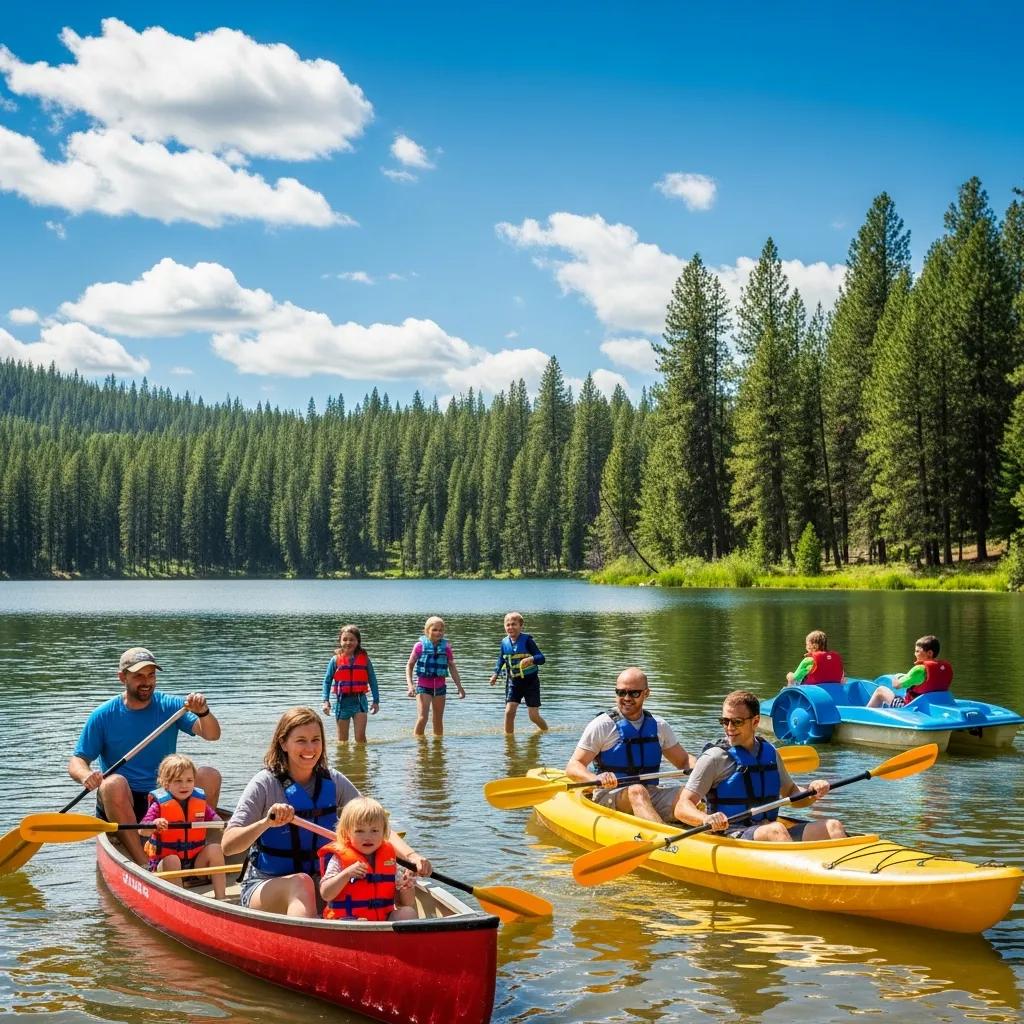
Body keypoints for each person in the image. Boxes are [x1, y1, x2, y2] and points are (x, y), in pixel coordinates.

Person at [222, 707, 431, 918]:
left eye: (316, 740)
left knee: (380, 876)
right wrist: (266, 822)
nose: (310, 748)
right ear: (283, 743)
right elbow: (228, 846)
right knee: (301, 883)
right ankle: (309, 943)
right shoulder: (265, 784)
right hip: (266, 884)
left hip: (324, 881)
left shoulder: (333, 781)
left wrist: (411, 856)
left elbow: (376, 824)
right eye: (301, 740)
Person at [68, 646, 222, 867]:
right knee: (112, 784)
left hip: (166, 796)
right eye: (138, 676)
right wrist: (85, 776)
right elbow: (77, 761)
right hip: (124, 800)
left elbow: (212, 734)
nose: (147, 682)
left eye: (151, 675)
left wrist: (203, 712)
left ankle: (199, 852)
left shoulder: (171, 706)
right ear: (122, 678)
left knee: (209, 776)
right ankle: (144, 866)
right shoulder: (103, 715)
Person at [675, 689, 847, 841]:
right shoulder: (713, 758)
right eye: (724, 721)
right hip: (733, 834)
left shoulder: (770, 752)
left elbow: (792, 794)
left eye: (737, 722)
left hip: (771, 832)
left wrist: (812, 792)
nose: (729, 728)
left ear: (755, 721)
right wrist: (705, 819)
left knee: (833, 826)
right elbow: (682, 806)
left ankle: (847, 875)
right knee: (776, 830)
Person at [565, 667, 696, 823]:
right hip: (610, 794)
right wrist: (596, 778)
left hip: (650, 793)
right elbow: (573, 766)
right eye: (621, 692)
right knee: (637, 791)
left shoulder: (659, 726)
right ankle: (664, 841)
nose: (626, 698)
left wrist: (702, 771)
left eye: (634, 693)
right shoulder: (602, 725)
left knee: (691, 795)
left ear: (646, 693)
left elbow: (683, 760)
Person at [140, 753, 227, 899]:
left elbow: (216, 820)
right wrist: (154, 824)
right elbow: (142, 831)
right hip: (167, 866)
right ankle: (183, 901)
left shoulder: (200, 803)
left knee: (215, 849)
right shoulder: (158, 806)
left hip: (194, 863)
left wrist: (225, 826)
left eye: (189, 780)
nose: (185, 785)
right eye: (178, 781)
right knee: (172, 860)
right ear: (165, 783)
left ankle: (222, 898)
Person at [318, 796, 416, 921]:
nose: (368, 837)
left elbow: (406, 902)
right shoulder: (338, 859)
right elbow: (326, 894)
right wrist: (346, 874)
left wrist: (406, 887)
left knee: (408, 912)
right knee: (360, 922)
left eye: (374, 830)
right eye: (359, 831)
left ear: (384, 832)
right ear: (346, 832)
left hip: (382, 922)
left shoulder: (389, 859)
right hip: (348, 922)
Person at [488, 611, 548, 734]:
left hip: (530, 682)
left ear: (521, 626)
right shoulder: (504, 642)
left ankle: (545, 730)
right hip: (513, 682)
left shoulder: (527, 641)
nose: (510, 627)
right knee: (509, 712)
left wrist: (531, 659)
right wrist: (495, 674)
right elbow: (501, 659)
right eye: (508, 625)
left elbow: (541, 658)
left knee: (533, 716)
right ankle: (509, 741)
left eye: (514, 624)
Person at [406, 616, 465, 737]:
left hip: (440, 688)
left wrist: (459, 687)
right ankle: (418, 744)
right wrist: (410, 685)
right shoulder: (419, 646)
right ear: (427, 631)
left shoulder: (446, 648)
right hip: (423, 687)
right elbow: (409, 666)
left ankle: (438, 747)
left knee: (438, 719)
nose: (438, 632)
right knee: (423, 717)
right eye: (434, 630)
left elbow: (452, 667)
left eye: (441, 630)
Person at [321, 624, 380, 743]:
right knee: (342, 742)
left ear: (358, 641)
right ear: (340, 641)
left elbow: (373, 680)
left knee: (361, 740)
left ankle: (361, 761)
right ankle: (344, 761)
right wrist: (326, 701)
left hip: (360, 702)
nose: (348, 642)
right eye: (345, 639)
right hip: (342, 703)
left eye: (352, 639)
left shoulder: (365, 659)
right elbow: (327, 681)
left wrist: (376, 701)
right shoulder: (335, 660)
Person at [866, 635, 953, 708]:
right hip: (934, 704)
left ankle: (866, 715)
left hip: (910, 707)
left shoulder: (919, 670)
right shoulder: (945, 667)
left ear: (929, 653)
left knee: (880, 691)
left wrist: (897, 677)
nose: (915, 654)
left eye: (917, 651)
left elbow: (896, 685)